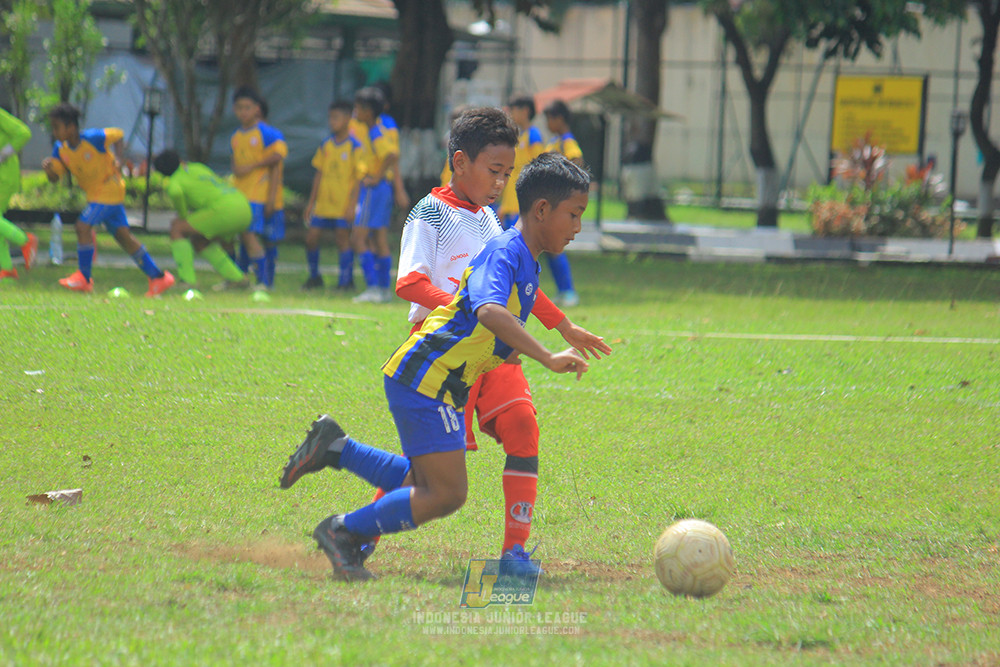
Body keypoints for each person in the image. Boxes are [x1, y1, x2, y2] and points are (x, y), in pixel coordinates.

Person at [278, 146, 606, 583]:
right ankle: (342, 530)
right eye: (575, 214)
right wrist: (545, 356)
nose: (579, 227)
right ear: (542, 210)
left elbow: (493, 329)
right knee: (446, 493)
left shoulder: (524, 259)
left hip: (441, 380)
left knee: (426, 479)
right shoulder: (506, 252)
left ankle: (337, 449)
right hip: (426, 377)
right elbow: (489, 312)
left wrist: (560, 329)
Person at [381, 107, 611, 569]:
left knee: (523, 427)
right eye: (493, 171)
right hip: (445, 353)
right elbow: (408, 282)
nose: (500, 183)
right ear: (460, 162)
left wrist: (562, 325)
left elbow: (514, 285)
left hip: (495, 349)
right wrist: (460, 308)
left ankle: (514, 552)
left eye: (508, 173)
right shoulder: (430, 212)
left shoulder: (489, 220)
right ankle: (360, 532)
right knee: (426, 473)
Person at [42, 103, 174, 297]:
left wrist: (119, 158)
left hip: (109, 189)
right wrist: (50, 171)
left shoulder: (93, 138)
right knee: (124, 237)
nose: (54, 132)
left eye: (57, 127)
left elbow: (118, 134)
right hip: (96, 195)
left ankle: (84, 279)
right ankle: (158, 277)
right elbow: (55, 178)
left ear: (71, 127)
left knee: (82, 226)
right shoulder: (60, 149)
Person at [151, 150, 251, 290]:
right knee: (200, 241)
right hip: (242, 205)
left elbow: (176, 192)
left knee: (177, 228)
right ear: (180, 160)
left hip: (224, 210)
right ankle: (238, 279)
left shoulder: (174, 181)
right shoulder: (196, 167)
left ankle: (187, 280)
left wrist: (183, 215)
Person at [301, 101, 364, 291]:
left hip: (342, 204)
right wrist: (311, 203)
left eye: (336, 117)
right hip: (323, 205)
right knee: (311, 238)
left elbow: (359, 178)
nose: (332, 122)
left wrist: (352, 205)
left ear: (348, 119)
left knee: (342, 240)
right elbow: (318, 174)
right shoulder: (326, 144)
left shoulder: (355, 146)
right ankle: (314, 276)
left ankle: (346, 281)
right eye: (330, 117)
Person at [230, 87, 285, 289]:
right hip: (241, 195)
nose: (243, 112)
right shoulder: (236, 136)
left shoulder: (268, 133)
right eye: (239, 108)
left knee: (264, 238)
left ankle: (264, 281)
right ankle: (246, 278)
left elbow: (277, 159)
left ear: (257, 109)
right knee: (246, 236)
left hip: (260, 196)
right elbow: (235, 165)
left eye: (247, 107)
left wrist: (272, 198)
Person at [351, 87, 399, 303]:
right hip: (382, 189)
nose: (355, 112)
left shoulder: (374, 131)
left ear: (368, 112)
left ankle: (372, 287)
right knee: (378, 238)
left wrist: (377, 176)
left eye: (358, 108)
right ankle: (383, 289)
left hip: (374, 189)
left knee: (358, 238)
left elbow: (390, 154)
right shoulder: (375, 129)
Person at [542, 100, 582, 307]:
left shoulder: (567, 141)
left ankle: (568, 291)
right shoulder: (555, 141)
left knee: (555, 247)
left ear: (559, 119)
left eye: (549, 119)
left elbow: (577, 162)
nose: (547, 123)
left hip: (560, 205)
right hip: (551, 204)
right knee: (550, 248)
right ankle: (563, 290)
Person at [0, 107, 38, 281]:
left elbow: (23, 133)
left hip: (4, 176)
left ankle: (25, 240)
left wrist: (2, 154)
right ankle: (6, 270)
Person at [498, 95, 544, 231]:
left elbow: (538, 168)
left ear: (525, 111)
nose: (510, 113)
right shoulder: (520, 136)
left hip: (520, 205)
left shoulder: (533, 135)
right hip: (510, 204)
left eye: (513, 109)